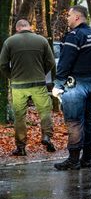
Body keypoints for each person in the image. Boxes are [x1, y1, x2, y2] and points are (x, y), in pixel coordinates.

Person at [53, 6, 91, 170]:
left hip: (76, 83)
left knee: (74, 122)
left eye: (69, 15)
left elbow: (65, 61)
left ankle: (73, 160)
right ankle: (87, 158)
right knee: (87, 120)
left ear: (77, 17)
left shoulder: (75, 36)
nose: (67, 18)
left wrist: (58, 84)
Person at [0, 19, 56, 156]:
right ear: (29, 27)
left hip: (18, 85)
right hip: (38, 83)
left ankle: (21, 147)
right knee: (44, 111)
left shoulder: (10, 42)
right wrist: (41, 73)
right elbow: (51, 61)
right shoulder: (41, 40)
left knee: (19, 116)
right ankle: (47, 137)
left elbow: (2, 64)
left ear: (17, 28)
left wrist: (12, 76)